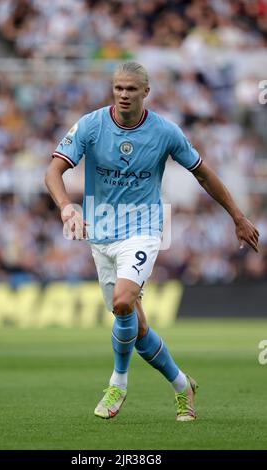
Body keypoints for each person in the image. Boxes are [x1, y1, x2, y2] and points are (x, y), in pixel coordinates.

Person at [45, 62, 259, 421]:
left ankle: (118, 384)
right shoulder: (91, 125)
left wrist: (237, 216)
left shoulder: (165, 132)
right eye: (118, 89)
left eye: (131, 89)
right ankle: (181, 385)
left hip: (143, 229)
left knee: (123, 300)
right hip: (101, 234)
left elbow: (204, 174)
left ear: (146, 92)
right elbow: (53, 171)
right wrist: (67, 208)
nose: (124, 95)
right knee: (136, 327)